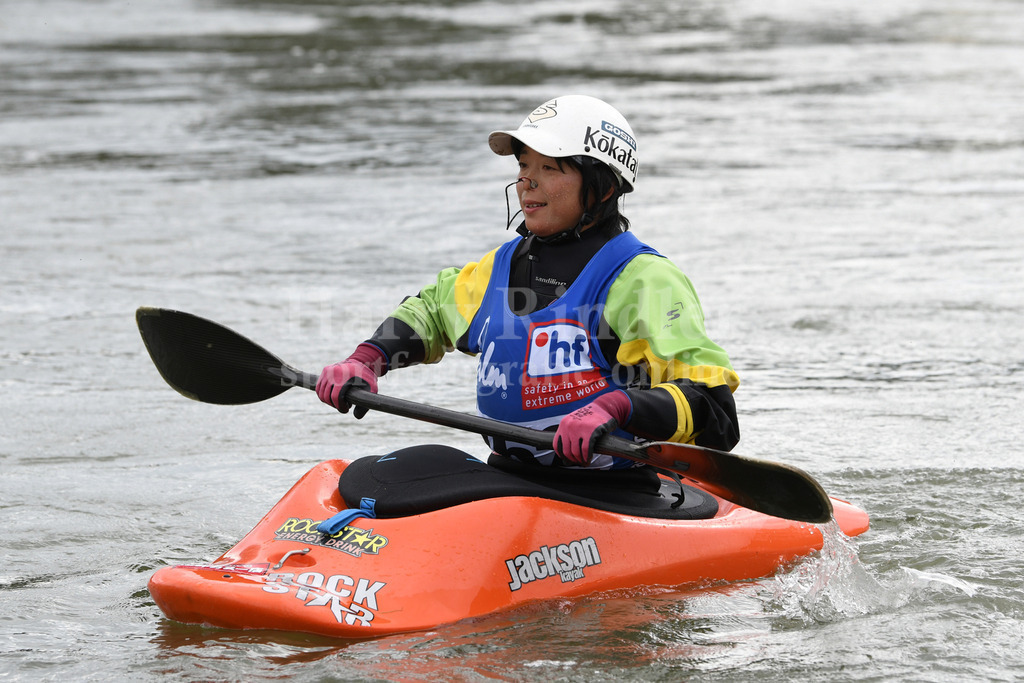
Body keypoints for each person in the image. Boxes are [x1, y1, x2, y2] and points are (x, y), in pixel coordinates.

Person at [317, 95, 739, 470]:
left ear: (604, 186)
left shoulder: (643, 280)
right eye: (523, 165)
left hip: (614, 491)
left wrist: (617, 405)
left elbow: (713, 406)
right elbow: (429, 313)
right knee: (370, 475)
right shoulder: (497, 270)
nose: (526, 182)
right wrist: (366, 359)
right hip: (512, 480)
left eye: (549, 168)